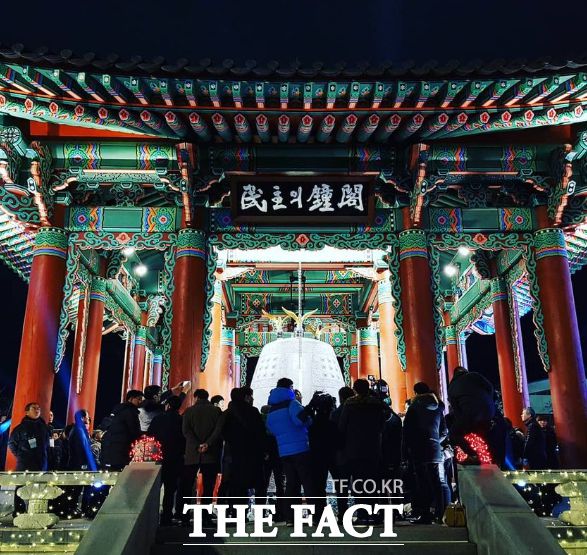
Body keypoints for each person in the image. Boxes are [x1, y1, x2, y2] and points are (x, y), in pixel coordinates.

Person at [207, 387, 266, 512]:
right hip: (252, 453)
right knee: (259, 484)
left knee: (236, 485)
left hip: (233, 454)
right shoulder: (253, 411)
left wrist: (208, 443)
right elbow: (261, 433)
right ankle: (259, 513)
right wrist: (263, 450)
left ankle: (234, 513)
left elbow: (219, 431)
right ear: (246, 397)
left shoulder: (227, 413)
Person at [338, 379, 388, 524]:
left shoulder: (349, 405)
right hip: (373, 448)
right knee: (372, 482)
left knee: (358, 484)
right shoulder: (376, 404)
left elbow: (342, 426)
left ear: (355, 389)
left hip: (354, 449)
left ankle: (362, 514)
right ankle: (375, 513)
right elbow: (383, 424)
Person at [266, 377, 315, 525]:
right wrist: (309, 418)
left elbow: (270, 430)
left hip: (284, 452)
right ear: (289, 388)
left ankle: (291, 518)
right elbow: (300, 421)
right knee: (308, 483)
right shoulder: (292, 404)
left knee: (291, 484)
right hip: (300, 448)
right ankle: (315, 515)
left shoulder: (272, 409)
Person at [402, 382, 450, 524]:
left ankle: (425, 514)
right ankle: (441, 514)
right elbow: (444, 431)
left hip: (419, 449)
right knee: (436, 482)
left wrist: (406, 449)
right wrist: (434, 441)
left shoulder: (414, 407)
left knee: (422, 482)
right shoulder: (438, 408)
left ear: (416, 393)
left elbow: (407, 431)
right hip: (435, 449)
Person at [180, 389, 222, 527]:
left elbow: (186, 431)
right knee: (208, 487)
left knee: (187, 486)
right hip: (211, 454)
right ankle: (206, 517)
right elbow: (218, 430)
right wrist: (207, 444)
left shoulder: (189, 411)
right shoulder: (216, 411)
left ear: (196, 397)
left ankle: (185, 516)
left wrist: (197, 444)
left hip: (192, 454)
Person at [148, 395, 185, 526]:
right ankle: (166, 517)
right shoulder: (181, 420)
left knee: (155, 488)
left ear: (168, 405)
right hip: (175, 458)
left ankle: (151, 516)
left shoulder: (158, 419)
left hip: (158, 457)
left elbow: (150, 435)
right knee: (170, 490)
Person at [447, 366, 495, 461]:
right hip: (490, 411)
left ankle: (473, 453)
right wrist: (490, 401)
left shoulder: (452, 386)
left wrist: (462, 423)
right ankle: (491, 455)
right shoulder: (474, 375)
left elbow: (456, 409)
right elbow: (490, 387)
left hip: (470, 413)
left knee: (453, 434)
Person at [308, 392, 337, 517]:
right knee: (340, 484)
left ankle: (318, 513)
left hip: (317, 456)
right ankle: (342, 512)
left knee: (318, 486)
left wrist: (311, 404)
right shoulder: (333, 423)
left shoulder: (313, 423)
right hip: (333, 455)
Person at [101, 390, 144, 471]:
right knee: (121, 472)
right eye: (138, 399)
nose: (140, 402)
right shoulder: (130, 411)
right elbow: (134, 430)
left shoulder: (117, 410)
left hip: (109, 447)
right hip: (121, 447)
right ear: (131, 399)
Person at [8, 402, 51, 471]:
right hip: (25, 465)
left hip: (42, 464)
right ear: (27, 412)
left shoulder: (44, 427)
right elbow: (11, 443)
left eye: (38, 408)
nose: (37, 410)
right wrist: (21, 455)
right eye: (34, 408)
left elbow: (48, 444)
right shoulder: (20, 428)